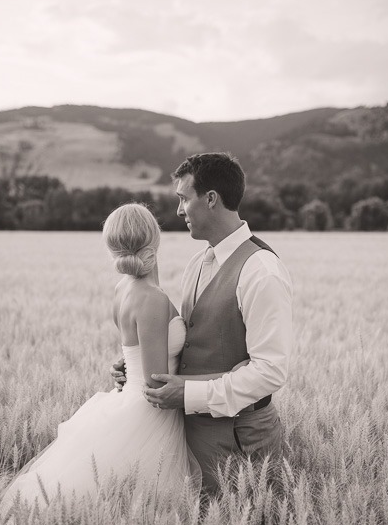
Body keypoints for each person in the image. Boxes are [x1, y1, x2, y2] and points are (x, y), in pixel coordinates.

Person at [0, 203, 201, 525]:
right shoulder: (153, 299)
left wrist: (124, 368)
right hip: (151, 416)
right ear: (156, 239)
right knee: (145, 515)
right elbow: (155, 382)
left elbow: (134, 351)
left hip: (128, 401)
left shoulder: (124, 289)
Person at [114, 153, 293, 494]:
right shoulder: (199, 261)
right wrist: (139, 364)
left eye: (183, 198)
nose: (179, 210)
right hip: (187, 433)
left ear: (210, 199)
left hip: (240, 437)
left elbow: (271, 371)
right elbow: (194, 336)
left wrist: (191, 392)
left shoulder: (261, 271)